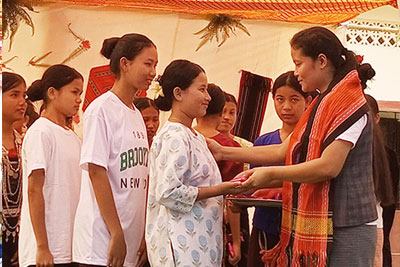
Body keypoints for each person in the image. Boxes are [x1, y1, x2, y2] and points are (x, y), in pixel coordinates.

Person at [208, 26, 378, 266]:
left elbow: (329, 167)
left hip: (348, 224)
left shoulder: (347, 104)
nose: (296, 72)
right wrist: (223, 150)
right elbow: (282, 150)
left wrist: (269, 174)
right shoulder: (321, 104)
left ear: (321, 61)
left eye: (298, 64)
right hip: (331, 223)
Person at [73, 33, 158, 267]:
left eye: (155, 65)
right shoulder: (100, 110)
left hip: (128, 244)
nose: (153, 72)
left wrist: (141, 232)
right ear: (125, 64)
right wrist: (116, 232)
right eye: (147, 63)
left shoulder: (135, 114)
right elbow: (96, 171)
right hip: (102, 244)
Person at [146, 59, 240, 267]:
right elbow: (168, 192)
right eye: (202, 89)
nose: (208, 98)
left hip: (200, 241)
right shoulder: (174, 135)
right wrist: (221, 188)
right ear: (179, 94)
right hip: (181, 245)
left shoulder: (193, 135)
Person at [18, 64, 84, 267]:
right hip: (47, 251)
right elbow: (34, 190)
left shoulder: (73, 137)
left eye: (80, 93)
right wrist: (42, 247)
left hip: (71, 247)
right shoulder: (41, 132)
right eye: (74, 92)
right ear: (52, 93)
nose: (79, 99)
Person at [247, 71, 311, 267]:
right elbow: (251, 187)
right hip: (265, 227)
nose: (286, 107)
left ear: (308, 101)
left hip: (301, 229)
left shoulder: (313, 142)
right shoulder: (262, 142)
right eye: (280, 99)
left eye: (294, 99)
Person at [194, 83, 245, 266]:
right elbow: (232, 198)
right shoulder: (229, 147)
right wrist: (237, 241)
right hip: (215, 224)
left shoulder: (182, 136)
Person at [364, 94, 397, 267]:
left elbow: (388, 200)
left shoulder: (386, 154)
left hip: (374, 223)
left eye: (366, 116)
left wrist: (384, 232)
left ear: (377, 118)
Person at [2, 72, 28, 267]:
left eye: (24, 96)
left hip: (19, 232)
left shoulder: (24, 143)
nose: (22, 102)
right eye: (14, 94)